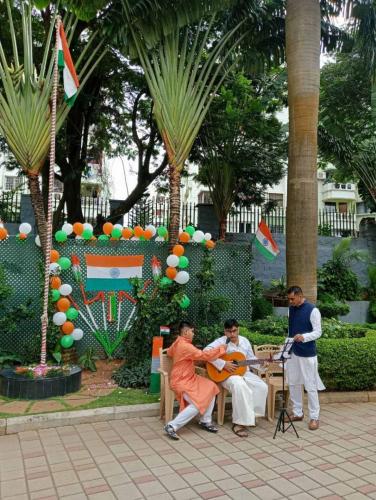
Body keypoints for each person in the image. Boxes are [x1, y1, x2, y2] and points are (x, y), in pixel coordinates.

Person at [204, 319, 268, 438]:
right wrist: (223, 364)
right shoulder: (221, 341)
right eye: (229, 332)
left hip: (244, 372)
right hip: (227, 375)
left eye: (234, 331)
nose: (232, 334)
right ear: (225, 331)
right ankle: (239, 423)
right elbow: (205, 352)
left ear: (238, 329)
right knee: (240, 386)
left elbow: (250, 358)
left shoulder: (244, 341)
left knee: (261, 386)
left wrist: (261, 364)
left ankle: (252, 416)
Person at [164, 321, 227, 440]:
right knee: (198, 402)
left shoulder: (178, 342)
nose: (194, 334)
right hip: (181, 380)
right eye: (192, 331)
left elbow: (169, 352)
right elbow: (204, 356)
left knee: (212, 387)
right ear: (186, 332)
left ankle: (205, 421)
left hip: (190, 377)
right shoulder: (185, 346)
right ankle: (172, 426)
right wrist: (221, 349)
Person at [285, 286, 325, 431]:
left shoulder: (313, 310)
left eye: (292, 298)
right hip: (293, 353)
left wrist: (304, 337)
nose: (290, 301)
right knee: (293, 383)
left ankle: (314, 417)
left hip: (308, 354)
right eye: (289, 298)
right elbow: (290, 331)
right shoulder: (290, 310)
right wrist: (286, 346)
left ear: (300, 295)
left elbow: (318, 332)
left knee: (310, 385)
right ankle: (297, 412)